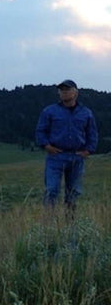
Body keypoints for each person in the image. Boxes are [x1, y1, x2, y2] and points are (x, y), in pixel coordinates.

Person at [35, 79, 98, 215]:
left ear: (76, 93)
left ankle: (70, 225)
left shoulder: (86, 113)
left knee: (73, 193)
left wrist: (89, 150)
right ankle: (48, 224)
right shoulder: (49, 111)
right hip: (56, 156)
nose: (64, 92)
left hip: (77, 156)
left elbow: (92, 133)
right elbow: (40, 131)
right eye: (61, 90)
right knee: (51, 190)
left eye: (67, 89)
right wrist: (46, 146)